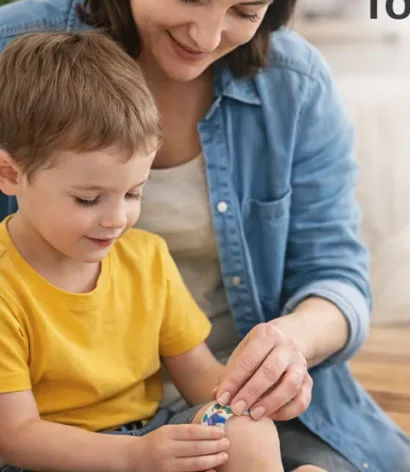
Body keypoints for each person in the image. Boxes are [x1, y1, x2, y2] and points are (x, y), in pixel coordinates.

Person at [0, 0, 410, 471]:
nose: (207, 36)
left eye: (247, 10)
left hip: (201, 405)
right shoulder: (19, 57)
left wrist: (290, 346)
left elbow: (335, 272)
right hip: (59, 430)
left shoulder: (294, 85)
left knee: (263, 438)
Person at [0, 30, 325, 472]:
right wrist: (134, 456)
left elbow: (200, 378)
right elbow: (18, 438)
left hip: (152, 435)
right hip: (56, 460)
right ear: (10, 173)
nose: (117, 219)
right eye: (88, 199)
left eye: (134, 193)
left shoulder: (146, 257)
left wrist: (254, 394)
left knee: (247, 431)